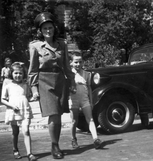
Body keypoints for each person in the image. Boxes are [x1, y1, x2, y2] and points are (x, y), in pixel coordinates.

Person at [28, 12, 75, 159]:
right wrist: (34, 89)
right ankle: (55, 147)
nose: (48, 31)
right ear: (40, 31)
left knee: (59, 116)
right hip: (44, 82)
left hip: (60, 81)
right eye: (44, 29)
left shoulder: (62, 44)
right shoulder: (35, 46)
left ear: (54, 28)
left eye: (50, 27)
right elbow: (33, 70)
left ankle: (56, 143)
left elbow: (67, 66)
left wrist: (72, 83)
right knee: (53, 115)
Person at [1, 62, 37, 161]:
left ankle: (29, 153)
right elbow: (2, 99)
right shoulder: (8, 85)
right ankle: (15, 149)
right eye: (16, 73)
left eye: (20, 73)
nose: (18, 75)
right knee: (15, 132)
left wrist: (33, 97)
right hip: (13, 110)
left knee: (26, 130)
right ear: (11, 73)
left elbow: (27, 96)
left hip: (24, 109)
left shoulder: (25, 84)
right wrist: (11, 106)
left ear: (23, 74)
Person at [69, 52, 103, 149]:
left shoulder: (86, 74)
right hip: (73, 100)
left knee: (90, 119)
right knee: (74, 121)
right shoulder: (69, 74)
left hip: (84, 99)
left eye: (80, 62)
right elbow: (66, 88)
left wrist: (91, 101)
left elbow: (89, 88)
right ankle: (73, 138)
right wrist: (72, 87)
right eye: (76, 62)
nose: (78, 64)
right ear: (71, 62)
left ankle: (95, 139)